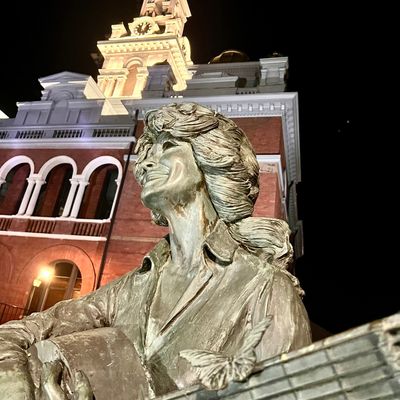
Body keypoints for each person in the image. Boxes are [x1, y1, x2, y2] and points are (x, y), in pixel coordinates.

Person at [0, 103, 311, 399]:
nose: (147, 163)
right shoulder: (128, 289)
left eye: (169, 146)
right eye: (148, 153)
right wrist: (13, 379)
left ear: (211, 159)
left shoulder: (263, 286)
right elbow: (17, 332)